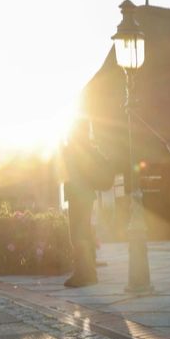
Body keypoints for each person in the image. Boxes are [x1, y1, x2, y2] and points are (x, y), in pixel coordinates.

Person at [62, 118, 112, 287]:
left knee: (78, 236)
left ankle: (83, 275)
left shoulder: (76, 148)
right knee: (82, 234)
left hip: (79, 195)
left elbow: (73, 171)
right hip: (84, 195)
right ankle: (87, 274)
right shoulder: (86, 146)